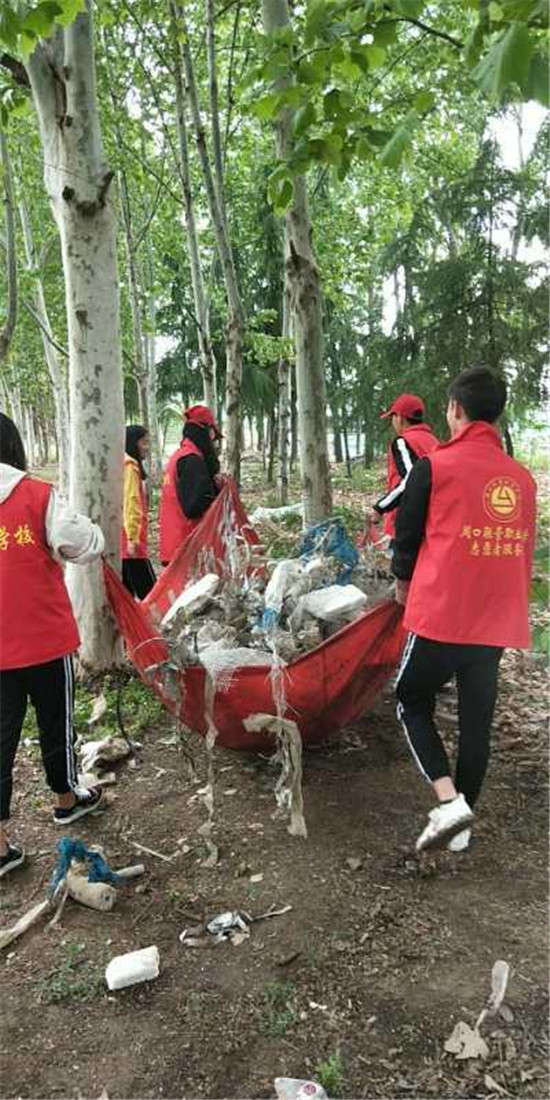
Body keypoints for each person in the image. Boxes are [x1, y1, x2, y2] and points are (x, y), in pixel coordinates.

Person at [391, 368, 536, 854]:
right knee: (476, 721)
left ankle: (449, 801)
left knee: (411, 698)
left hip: (442, 612)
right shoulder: (521, 479)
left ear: (455, 408)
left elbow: (407, 536)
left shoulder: (436, 467)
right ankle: (463, 820)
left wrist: (402, 582)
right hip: (495, 620)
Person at [0, 414, 106, 878]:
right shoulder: (38, 496)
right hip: (43, 639)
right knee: (55, 723)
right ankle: (66, 800)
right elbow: (84, 544)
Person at [159, 404, 223, 566]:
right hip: (187, 547)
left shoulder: (180, 456)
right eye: (212, 437)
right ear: (206, 432)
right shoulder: (192, 460)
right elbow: (194, 506)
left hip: (176, 543)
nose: (213, 443)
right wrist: (218, 491)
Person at [371, 394, 439, 543]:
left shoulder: (402, 442)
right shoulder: (433, 441)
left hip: (405, 522)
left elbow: (411, 479)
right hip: (430, 521)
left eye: (392, 417)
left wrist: (380, 507)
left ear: (400, 418)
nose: (392, 422)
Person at [122, 425, 156, 600]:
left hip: (125, 540)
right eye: (143, 443)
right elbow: (131, 501)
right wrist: (132, 538)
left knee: (126, 590)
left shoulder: (123, 463)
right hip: (131, 541)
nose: (147, 447)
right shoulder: (130, 466)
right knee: (150, 593)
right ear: (132, 444)